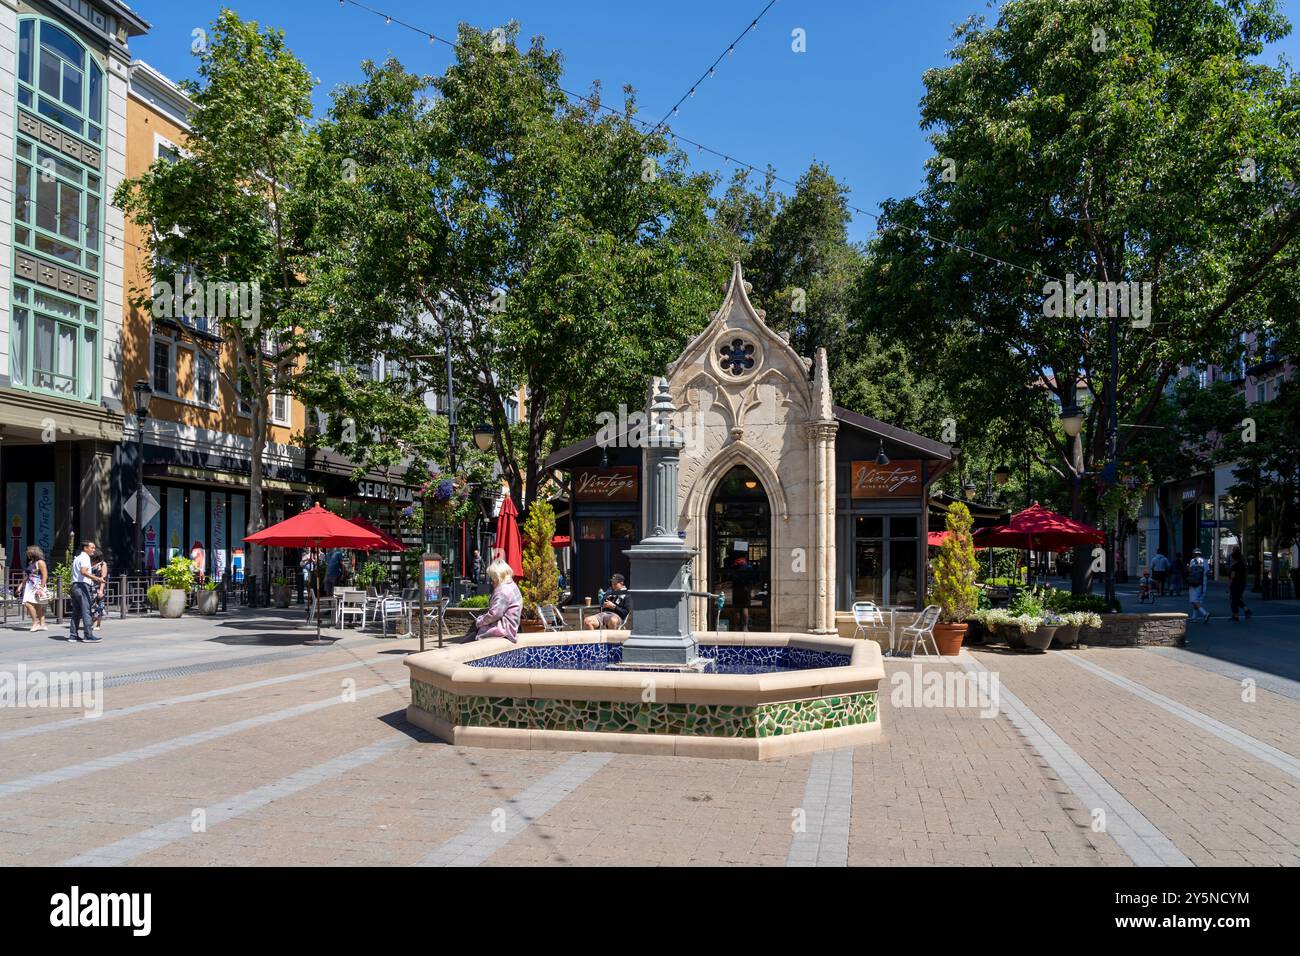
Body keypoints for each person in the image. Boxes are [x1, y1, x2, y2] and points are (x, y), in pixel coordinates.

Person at [468, 558, 523, 642]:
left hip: (501, 630)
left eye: (492, 578)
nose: (491, 581)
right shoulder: (512, 585)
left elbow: (495, 614)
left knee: (464, 645)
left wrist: (479, 621)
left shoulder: (502, 590)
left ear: (497, 576)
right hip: (511, 629)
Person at [69, 541, 105, 643]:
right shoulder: (85, 558)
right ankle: (88, 635)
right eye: (92, 548)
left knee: (76, 611)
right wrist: (97, 579)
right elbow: (83, 571)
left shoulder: (77, 558)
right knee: (86, 611)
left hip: (75, 585)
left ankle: (73, 635)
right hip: (82, 586)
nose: (94, 550)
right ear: (85, 548)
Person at [21, 545, 49, 632]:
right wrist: (21, 585)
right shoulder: (32, 562)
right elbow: (28, 575)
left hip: (37, 585)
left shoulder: (40, 562)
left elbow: (45, 575)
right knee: (37, 605)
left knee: (28, 603)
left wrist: (40, 588)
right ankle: (42, 624)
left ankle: (35, 623)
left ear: (33, 552)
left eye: (28, 551)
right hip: (30, 585)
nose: (26, 553)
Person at [1186, 548, 1211, 623]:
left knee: (1194, 601)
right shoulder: (1205, 561)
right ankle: (1194, 617)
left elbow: (1190, 572)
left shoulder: (1192, 561)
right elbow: (1207, 572)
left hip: (1194, 583)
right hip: (1203, 583)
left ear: (1194, 554)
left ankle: (1205, 613)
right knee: (1198, 601)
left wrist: (1188, 567)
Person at [1228, 546, 1252, 622]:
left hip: (1235, 583)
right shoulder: (1243, 563)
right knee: (1236, 598)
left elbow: (1232, 577)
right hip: (1242, 583)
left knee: (1235, 599)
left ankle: (1246, 610)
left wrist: (1229, 586)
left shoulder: (1235, 566)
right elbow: (1246, 573)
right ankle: (1236, 616)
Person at [90, 552, 109, 631]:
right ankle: (92, 621)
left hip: (98, 587)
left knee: (99, 606)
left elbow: (103, 577)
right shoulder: (89, 563)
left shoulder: (102, 564)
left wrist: (101, 590)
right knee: (91, 606)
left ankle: (98, 624)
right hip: (91, 587)